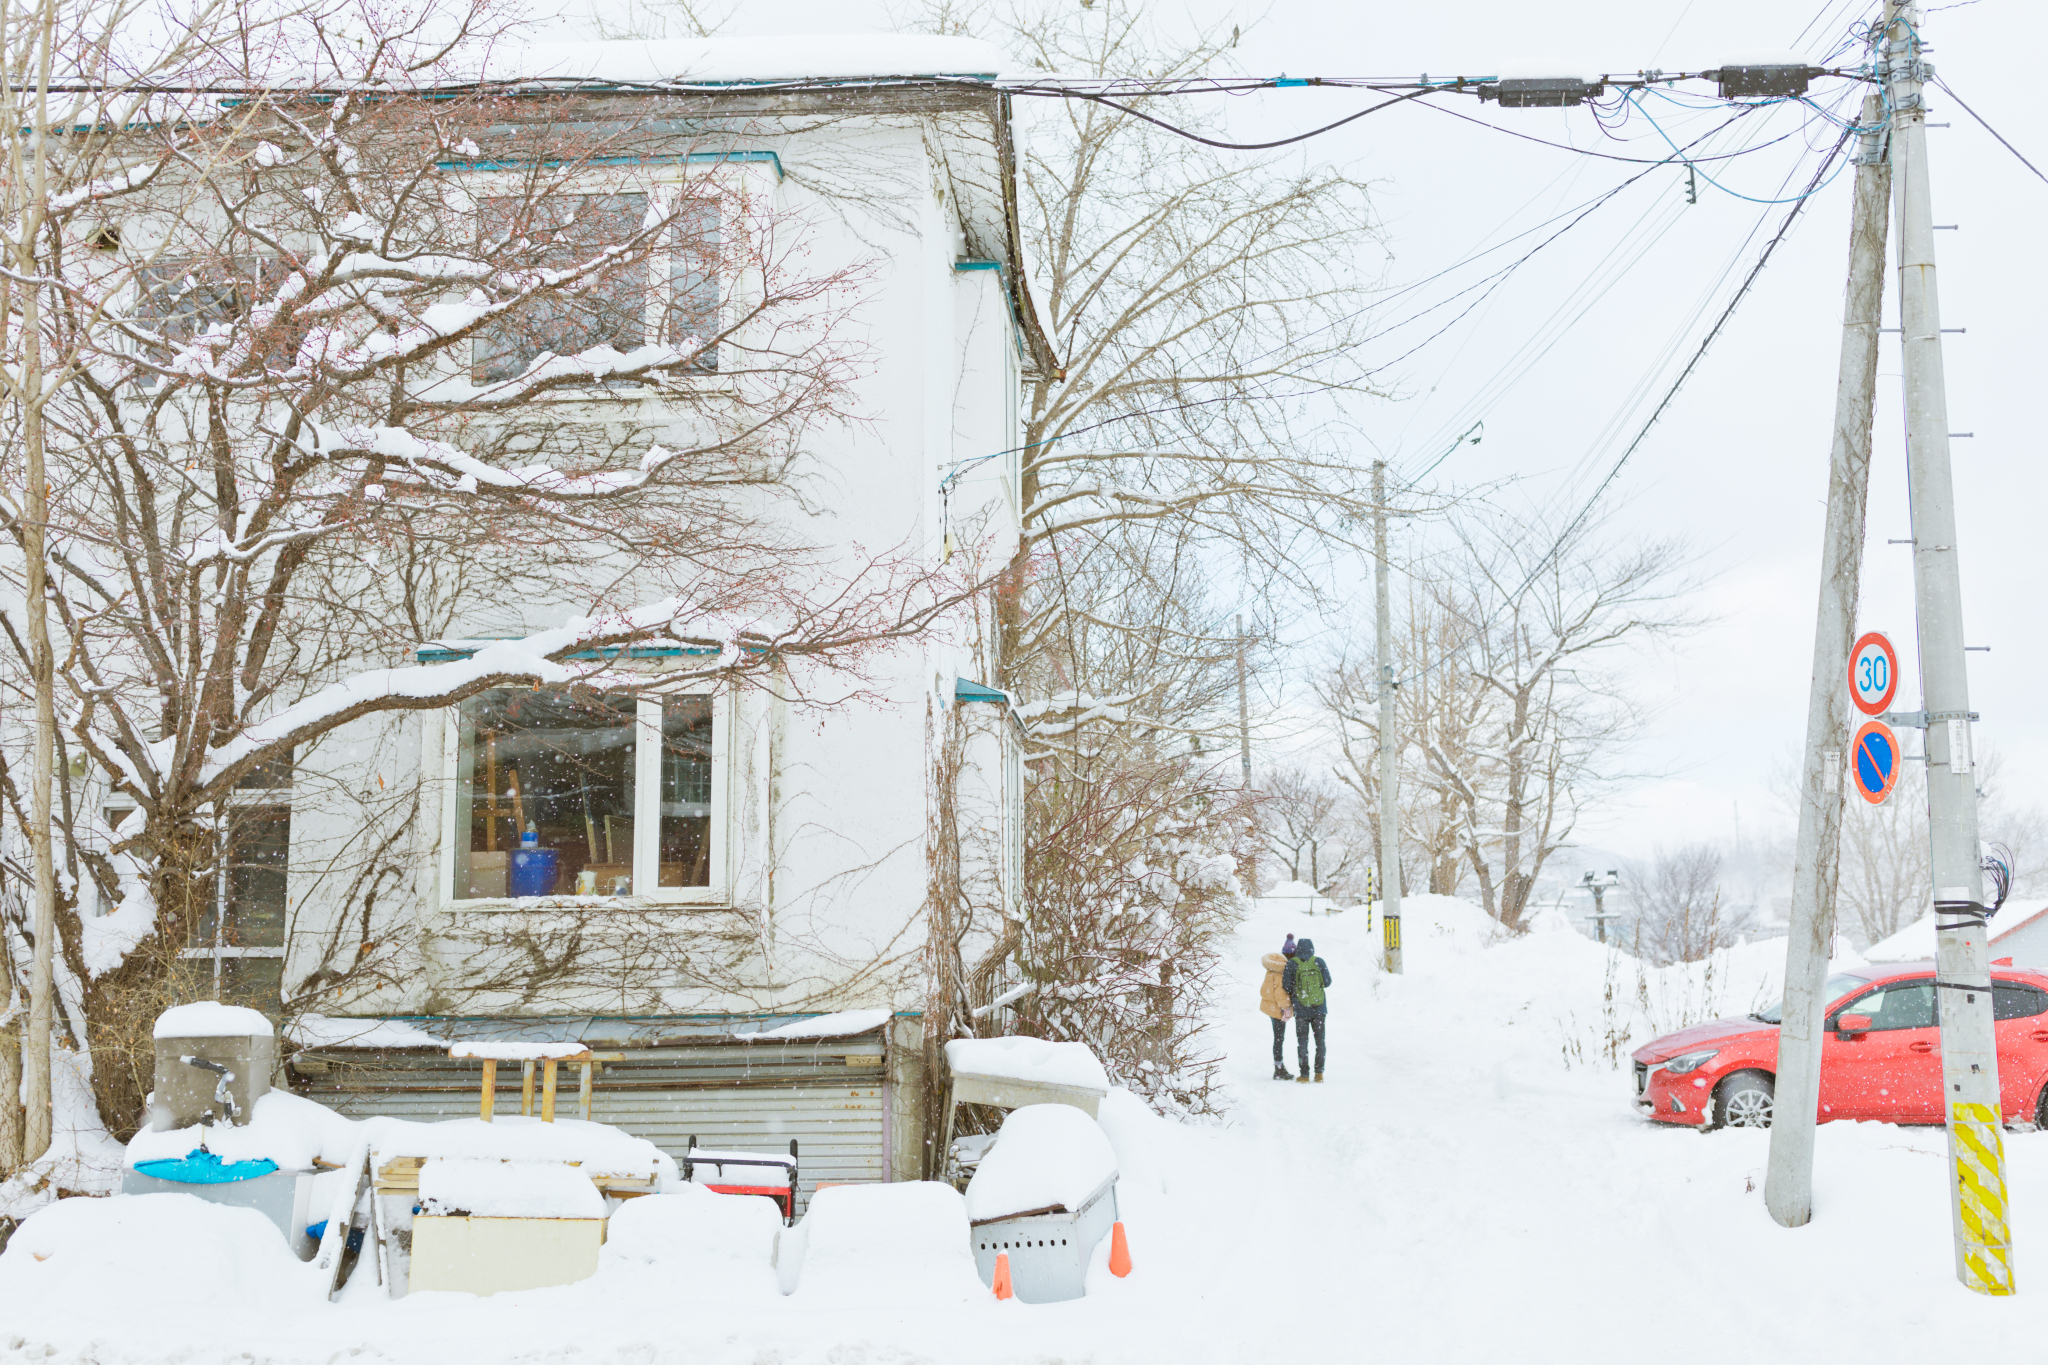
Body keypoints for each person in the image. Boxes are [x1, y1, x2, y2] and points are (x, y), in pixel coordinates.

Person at [1283, 936, 1332, 1083]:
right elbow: (1328, 982)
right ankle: (1319, 1074)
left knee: (1302, 1043)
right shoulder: (1319, 961)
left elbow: (1286, 986)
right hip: (1319, 1009)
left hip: (1301, 1009)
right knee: (1320, 1042)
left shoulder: (1293, 963)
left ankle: (1304, 1075)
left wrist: (1297, 992)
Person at [1259, 937, 1297, 1080]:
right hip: (1278, 1009)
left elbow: (1266, 989)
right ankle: (1279, 1069)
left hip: (1271, 1006)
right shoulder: (1282, 969)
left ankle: (1279, 1067)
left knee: (1278, 1038)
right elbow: (1280, 993)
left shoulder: (1272, 967)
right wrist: (1286, 1008)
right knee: (1279, 1038)